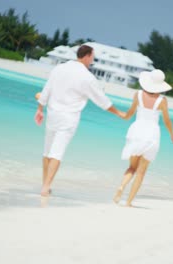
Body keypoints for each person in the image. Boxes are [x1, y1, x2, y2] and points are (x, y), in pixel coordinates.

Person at [35, 45, 125, 197]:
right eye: (93, 57)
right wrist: (118, 113)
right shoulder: (87, 77)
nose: (92, 61)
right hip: (68, 118)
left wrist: (39, 109)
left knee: (47, 151)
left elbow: (46, 90)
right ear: (87, 56)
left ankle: (45, 184)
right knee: (57, 153)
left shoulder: (59, 68)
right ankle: (46, 187)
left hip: (52, 114)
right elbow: (101, 100)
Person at [113, 69, 173, 207]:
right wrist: (172, 134)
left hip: (136, 132)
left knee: (132, 167)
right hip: (151, 135)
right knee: (141, 172)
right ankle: (128, 202)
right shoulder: (162, 101)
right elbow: (167, 121)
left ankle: (121, 187)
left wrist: (120, 114)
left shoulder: (138, 94)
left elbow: (129, 114)